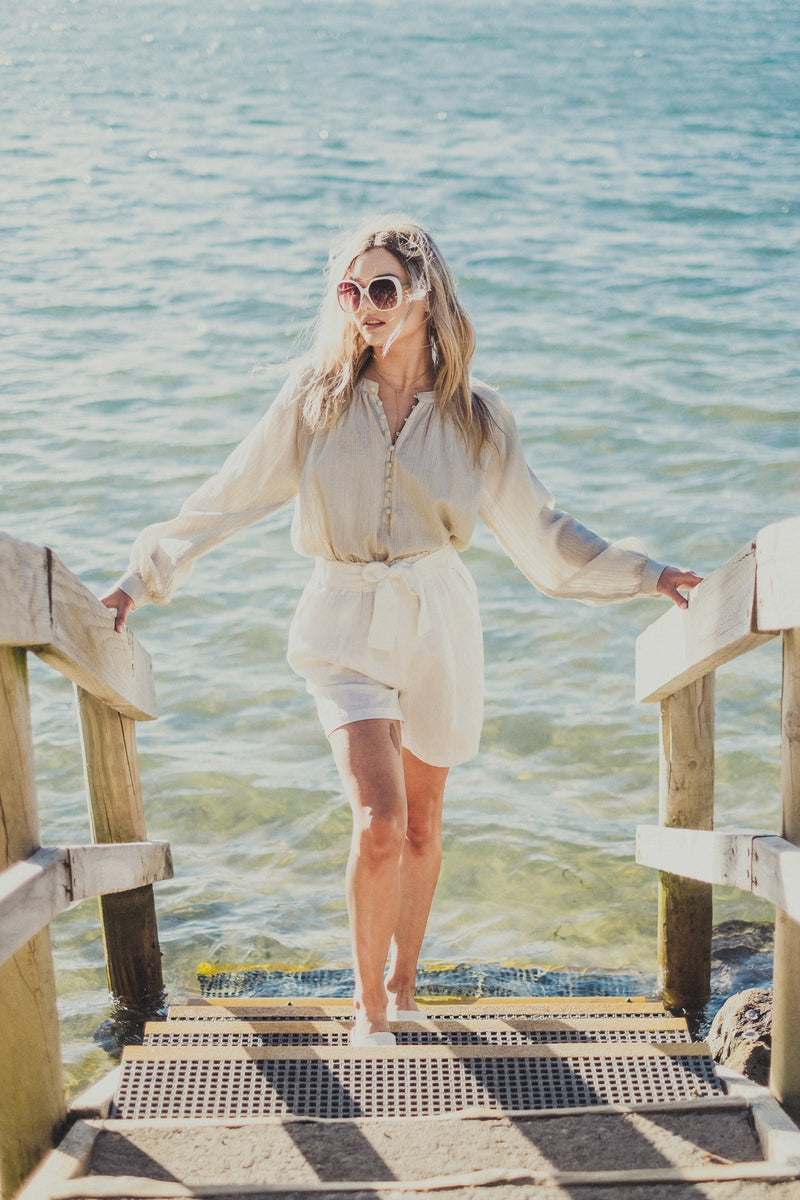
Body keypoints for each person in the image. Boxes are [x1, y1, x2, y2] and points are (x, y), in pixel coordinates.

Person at [102, 213, 702, 1047]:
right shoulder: (315, 400)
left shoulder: (478, 419)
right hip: (343, 617)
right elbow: (228, 495)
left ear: (425, 294)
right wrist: (144, 575)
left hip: (438, 619)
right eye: (351, 289)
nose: (365, 305)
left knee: (422, 821)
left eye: (382, 287)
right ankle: (369, 1010)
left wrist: (647, 573)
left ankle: (405, 981)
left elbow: (546, 533)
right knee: (378, 821)